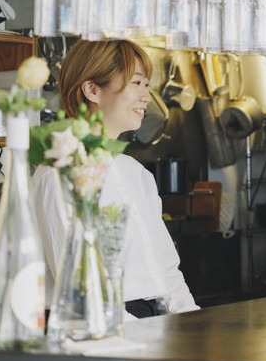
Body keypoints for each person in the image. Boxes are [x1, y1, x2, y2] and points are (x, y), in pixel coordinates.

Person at [30, 39, 198, 319]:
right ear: (92, 90)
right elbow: (79, 290)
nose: (146, 96)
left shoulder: (136, 173)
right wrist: (138, 336)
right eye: (136, 83)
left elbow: (166, 270)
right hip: (98, 330)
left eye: (146, 85)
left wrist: (192, 320)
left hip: (153, 323)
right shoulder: (58, 172)